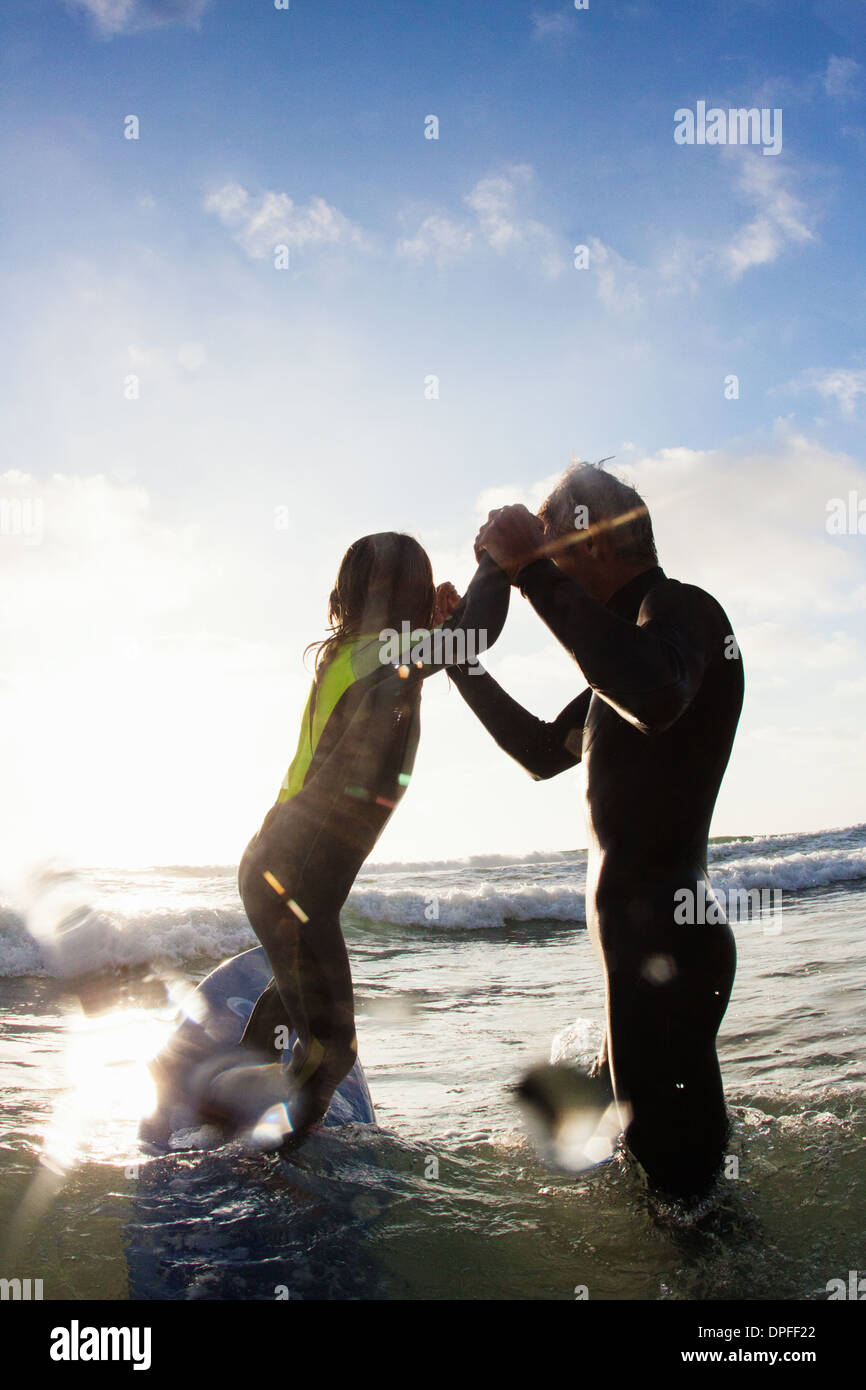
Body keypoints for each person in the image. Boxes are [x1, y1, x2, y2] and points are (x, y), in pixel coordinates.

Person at [449, 462, 744, 1200]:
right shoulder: (625, 656)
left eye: (552, 549)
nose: (540, 570)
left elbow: (655, 693)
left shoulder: (686, 613)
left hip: (669, 944)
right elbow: (542, 754)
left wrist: (530, 573)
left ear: (595, 540)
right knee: (655, 1172)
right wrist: (460, 664)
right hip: (640, 950)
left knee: (681, 1193)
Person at [196, 531, 510, 1146]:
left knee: (294, 989)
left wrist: (447, 611)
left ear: (344, 597)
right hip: (299, 877)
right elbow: (478, 636)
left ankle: (226, 1100)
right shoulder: (392, 656)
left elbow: (446, 643)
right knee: (332, 1048)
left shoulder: (345, 655)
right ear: (412, 601)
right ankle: (271, 1159)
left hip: (268, 865)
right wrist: (495, 563)